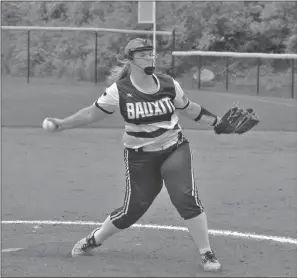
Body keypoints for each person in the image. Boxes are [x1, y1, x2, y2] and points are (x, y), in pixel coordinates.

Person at [45, 38, 222, 272]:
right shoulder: (119, 91)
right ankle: (94, 239)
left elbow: (189, 108)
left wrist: (216, 122)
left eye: (151, 53)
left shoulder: (169, 84)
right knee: (133, 209)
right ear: (130, 59)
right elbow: (91, 114)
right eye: (143, 54)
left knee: (184, 197)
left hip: (174, 148)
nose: (150, 57)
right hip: (140, 157)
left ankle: (206, 252)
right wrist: (63, 123)